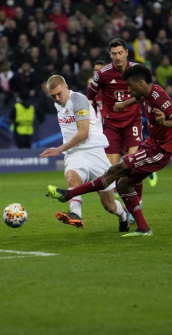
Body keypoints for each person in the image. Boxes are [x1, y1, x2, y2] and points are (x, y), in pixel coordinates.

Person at [47, 65, 172, 237]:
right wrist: (126, 102)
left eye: (129, 85)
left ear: (140, 83)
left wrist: (164, 122)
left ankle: (69, 194)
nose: (128, 89)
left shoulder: (159, 97)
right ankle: (143, 228)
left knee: (115, 171)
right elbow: (140, 98)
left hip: (159, 149)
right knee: (123, 184)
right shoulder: (148, 93)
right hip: (150, 145)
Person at [40, 75, 130, 231]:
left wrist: (59, 149)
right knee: (71, 178)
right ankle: (75, 214)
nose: (56, 98)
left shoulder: (78, 100)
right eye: (52, 96)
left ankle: (123, 217)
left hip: (94, 152)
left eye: (59, 93)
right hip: (74, 153)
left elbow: (83, 134)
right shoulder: (58, 104)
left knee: (108, 205)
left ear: (66, 87)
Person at [86, 38, 152, 209]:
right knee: (113, 170)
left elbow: (148, 92)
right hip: (112, 126)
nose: (117, 57)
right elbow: (89, 96)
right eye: (114, 54)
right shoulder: (102, 74)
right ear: (110, 55)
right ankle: (123, 208)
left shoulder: (138, 70)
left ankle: (138, 203)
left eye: (120, 53)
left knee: (134, 164)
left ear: (126, 53)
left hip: (133, 123)